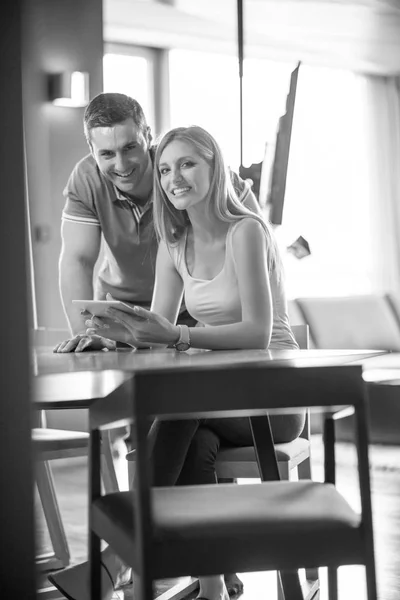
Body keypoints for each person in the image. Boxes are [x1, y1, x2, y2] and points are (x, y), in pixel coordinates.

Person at [50, 125, 305, 600]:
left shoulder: (246, 230)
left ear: (214, 165)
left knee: (181, 405)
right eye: (165, 169)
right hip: (217, 403)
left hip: (275, 400)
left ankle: (116, 558)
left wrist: (180, 336)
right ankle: (211, 587)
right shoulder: (174, 244)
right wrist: (112, 339)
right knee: (194, 436)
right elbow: (156, 332)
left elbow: (255, 331)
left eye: (187, 164)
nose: (173, 178)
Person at [54, 93, 260, 353]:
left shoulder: (190, 181)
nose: (121, 164)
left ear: (148, 136)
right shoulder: (87, 180)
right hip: (122, 313)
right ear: (92, 152)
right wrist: (87, 333)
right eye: (107, 154)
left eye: (130, 147)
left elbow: (265, 258)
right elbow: (77, 260)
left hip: (194, 310)